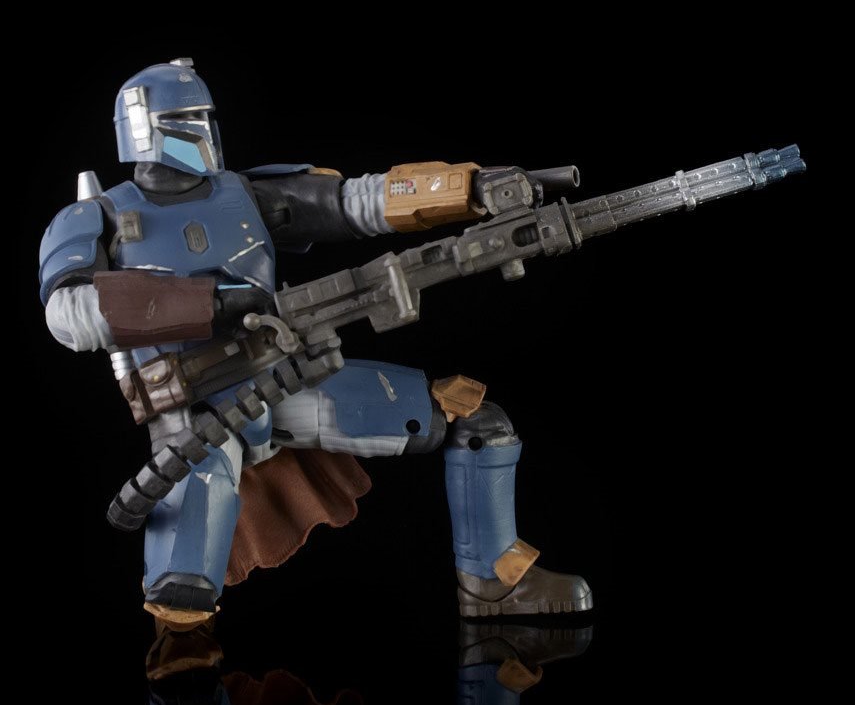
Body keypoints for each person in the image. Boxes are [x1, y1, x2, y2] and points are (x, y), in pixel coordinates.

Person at [39, 58, 592, 631]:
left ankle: (495, 585)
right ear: (144, 127)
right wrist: (209, 303)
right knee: (183, 594)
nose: (200, 132)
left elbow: (358, 200)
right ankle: (184, 662)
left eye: (203, 117)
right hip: (197, 413)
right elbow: (66, 314)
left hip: (285, 378)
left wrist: (470, 188)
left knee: (471, 419)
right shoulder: (97, 217)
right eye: (184, 120)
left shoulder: (244, 195)